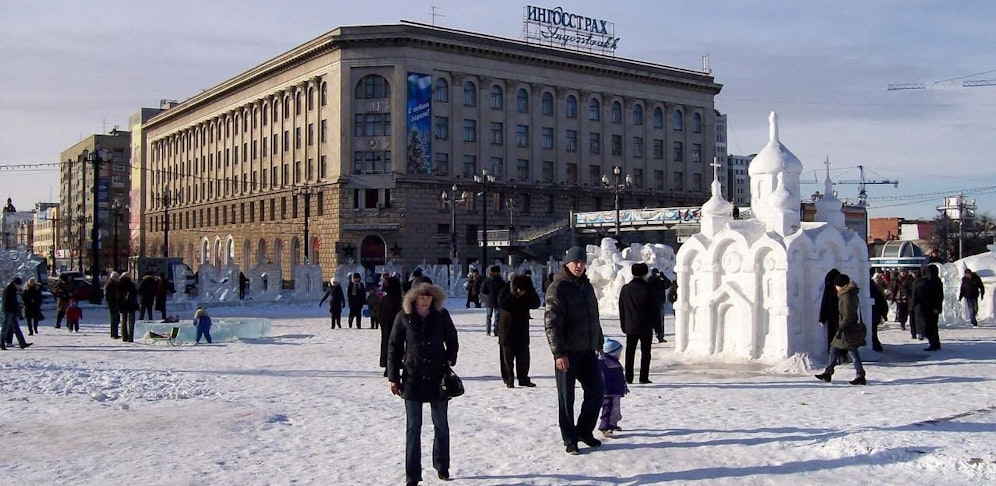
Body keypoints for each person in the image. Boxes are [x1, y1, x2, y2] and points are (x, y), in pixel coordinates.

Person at [387, 282, 459, 486]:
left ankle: (442, 465)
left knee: (441, 425)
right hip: (413, 377)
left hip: (438, 377)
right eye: (422, 295)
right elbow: (393, 346)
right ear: (414, 297)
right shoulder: (404, 317)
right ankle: (412, 474)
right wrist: (393, 377)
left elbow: (452, 338)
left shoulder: (441, 315)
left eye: (429, 295)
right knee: (413, 427)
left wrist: (450, 358)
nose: (426, 299)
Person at [545, 245, 605, 455]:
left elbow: (593, 316)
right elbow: (551, 323)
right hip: (568, 352)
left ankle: (584, 431)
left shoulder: (586, 286)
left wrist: (598, 339)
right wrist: (558, 353)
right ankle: (569, 438)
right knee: (566, 397)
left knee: (597, 390)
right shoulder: (558, 288)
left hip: (587, 350)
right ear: (567, 263)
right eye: (575, 262)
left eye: (582, 262)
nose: (579, 266)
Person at [814, 273, 866, 385]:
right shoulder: (847, 294)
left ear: (841, 285)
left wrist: (841, 328)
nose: (835, 287)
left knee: (852, 351)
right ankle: (828, 373)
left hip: (847, 329)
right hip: (846, 329)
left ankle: (860, 375)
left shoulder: (846, 296)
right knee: (834, 348)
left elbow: (848, 315)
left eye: (836, 285)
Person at [497, 274, 541, 388]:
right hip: (507, 330)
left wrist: (529, 293)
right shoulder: (505, 290)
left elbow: (536, 303)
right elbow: (503, 303)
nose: (520, 291)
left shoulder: (527, 293)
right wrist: (513, 295)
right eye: (519, 289)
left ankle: (523, 378)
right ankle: (509, 379)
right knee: (507, 358)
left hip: (522, 330)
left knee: (524, 358)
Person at [619, 263, 660, 384]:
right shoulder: (649, 288)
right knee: (646, 352)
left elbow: (622, 308)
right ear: (644, 274)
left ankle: (628, 377)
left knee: (630, 352)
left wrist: (623, 324)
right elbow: (655, 309)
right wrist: (657, 326)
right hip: (646, 326)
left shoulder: (626, 289)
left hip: (631, 325)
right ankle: (643, 377)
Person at [597, 338, 628, 437]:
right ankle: (605, 427)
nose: (620, 355)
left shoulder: (614, 362)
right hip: (608, 391)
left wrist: (623, 386)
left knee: (615, 410)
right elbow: (602, 378)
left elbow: (620, 377)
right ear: (612, 353)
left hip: (616, 391)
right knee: (607, 409)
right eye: (619, 353)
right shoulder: (604, 363)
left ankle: (613, 424)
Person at [910, 265, 944, 351]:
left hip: (925, 308)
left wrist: (912, 307)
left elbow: (916, 296)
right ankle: (935, 343)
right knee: (933, 326)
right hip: (932, 308)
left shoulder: (922, 282)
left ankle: (934, 343)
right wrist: (938, 307)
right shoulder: (936, 281)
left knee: (929, 327)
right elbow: (940, 296)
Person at [378, 276, 404, 377]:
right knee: (397, 347)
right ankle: (394, 366)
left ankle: (388, 367)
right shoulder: (400, 301)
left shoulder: (384, 300)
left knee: (386, 346)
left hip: (386, 327)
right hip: (397, 328)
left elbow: (379, 314)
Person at [1, 277, 32, 350]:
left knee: (16, 328)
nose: (19, 286)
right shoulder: (9, 290)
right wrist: (18, 305)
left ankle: (22, 343)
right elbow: (8, 302)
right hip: (8, 311)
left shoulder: (12, 289)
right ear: (15, 283)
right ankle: (1, 343)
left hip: (12, 311)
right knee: (5, 328)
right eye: (18, 285)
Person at [818, 268, 841, 355]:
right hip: (841, 316)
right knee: (842, 336)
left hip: (831, 315)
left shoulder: (828, 288)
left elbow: (825, 302)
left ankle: (833, 354)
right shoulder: (843, 289)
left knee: (832, 337)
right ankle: (842, 354)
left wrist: (822, 317)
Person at [647, 268, 672, 342]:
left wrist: (663, 277)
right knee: (650, 322)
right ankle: (649, 338)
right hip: (650, 305)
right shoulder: (650, 280)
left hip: (659, 303)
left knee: (660, 322)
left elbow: (668, 284)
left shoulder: (661, 281)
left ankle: (660, 337)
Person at [480, 265, 505, 336]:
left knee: (488, 316)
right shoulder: (501, 281)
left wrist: (488, 295)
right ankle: (496, 331)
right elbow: (504, 290)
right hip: (498, 301)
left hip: (489, 300)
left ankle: (488, 331)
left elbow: (482, 290)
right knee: (497, 317)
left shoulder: (487, 280)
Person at [888, 268, 913, 332]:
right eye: (902, 272)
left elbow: (910, 288)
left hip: (906, 297)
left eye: (904, 272)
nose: (903, 273)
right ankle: (902, 323)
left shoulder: (909, 280)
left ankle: (903, 322)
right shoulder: (896, 280)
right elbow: (893, 288)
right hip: (899, 297)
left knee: (905, 311)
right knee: (900, 311)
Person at [117, 274, 139, 342]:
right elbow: (135, 294)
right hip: (131, 305)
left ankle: (124, 336)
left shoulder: (119, 284)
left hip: (123, 305)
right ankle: (131, 337)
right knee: (131, 322)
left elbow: (118, 295)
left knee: (123, 321)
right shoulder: (131, 284)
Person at [869, 276, 889, 352]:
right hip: (875, 313)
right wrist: (884, 313)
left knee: (872, 331)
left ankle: (875, 345)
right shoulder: (875, 288)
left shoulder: (872, 289)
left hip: (873, 313)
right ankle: (876, 345)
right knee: (873, 331)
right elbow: (882, 301)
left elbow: (881, 301)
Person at [104, 272, 121, 339]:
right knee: (114, 319)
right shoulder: (110, 285)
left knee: (116, 319)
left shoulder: (113, 284)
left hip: (114, 304)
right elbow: (108, 296)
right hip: (113, 304)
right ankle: (114, 334)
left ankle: (114, 333)